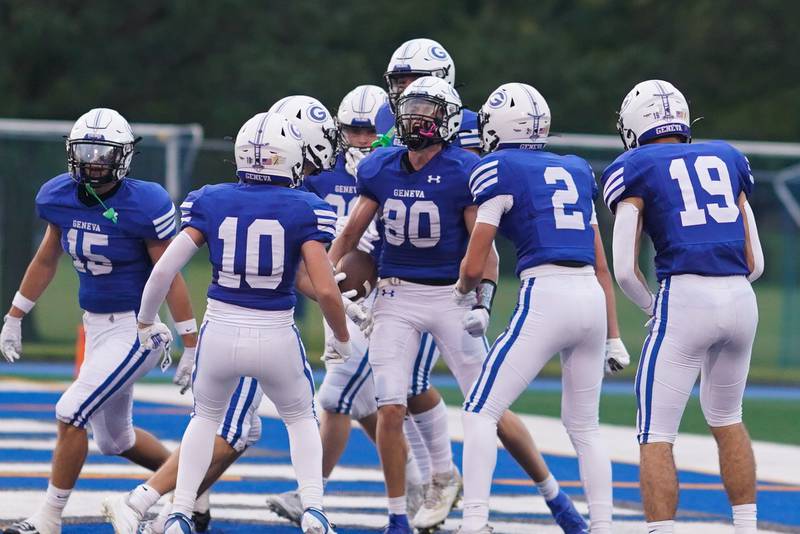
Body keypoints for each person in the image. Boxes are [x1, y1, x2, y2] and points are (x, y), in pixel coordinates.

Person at [329, 76, 590, 534]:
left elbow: (483, 247)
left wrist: (483, 300)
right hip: (396, 293)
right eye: (410, 108)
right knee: (390, 406)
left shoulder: (464, 169)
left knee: (489, 406)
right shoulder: (380, 166)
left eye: (427, 110)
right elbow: (351, 234)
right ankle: (396, 517)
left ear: (447, 120)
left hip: (450, 296)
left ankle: (555, 496)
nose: (414, 118)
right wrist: (329, 275)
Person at [104, 99, 361, 534]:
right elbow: (325, 289)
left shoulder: (211, 199)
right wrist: (339, 337)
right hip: (276, 332)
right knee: (301, 420)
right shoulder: (306, 207)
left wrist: (147, 320)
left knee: (204, 420)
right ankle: (315, 509)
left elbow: (164, 269)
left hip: (219, 329)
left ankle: (180, 513)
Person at [0, 109, 198, 534]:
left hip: (139, 329)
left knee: (71, 411)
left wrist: (190, 342)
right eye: (85, 150)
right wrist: (15, 315)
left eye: (102, 152)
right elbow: (47, 257)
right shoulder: (57, 195)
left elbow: (169, 274)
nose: (92, 160)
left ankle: (48, 519)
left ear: (123, 157)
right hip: (97, 326)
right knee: (115, 441)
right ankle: (193, 488)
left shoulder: (145, 202)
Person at [457, 83, 625, 533]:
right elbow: (602, 263)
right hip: (589, 296)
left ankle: (473, 521)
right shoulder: (575, 169)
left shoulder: (497, 168)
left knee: (479, 411)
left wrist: (460, 293)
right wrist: (614, 335)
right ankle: (604, 526)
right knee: (585, 428)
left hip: (546, 294)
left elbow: (475, 263)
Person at [265, 85, 436, 524]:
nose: (361, 139)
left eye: (368, 130)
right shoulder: (324, 172)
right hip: (333, 291)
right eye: (352, 130)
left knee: (338, 395)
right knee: (363, 404)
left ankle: (311, 494)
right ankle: (418, 480)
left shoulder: (393, 169)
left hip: (376, 298)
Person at [601, 79, 763, 534]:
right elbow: (756, 261)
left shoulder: (634, 164)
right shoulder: (728, 157)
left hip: (685, 298)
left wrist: (656, 308)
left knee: (655, 434)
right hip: (740, 299)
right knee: (729, 418)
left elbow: (626, 270)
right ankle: (747, 528)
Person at [373, 37, 480, 153]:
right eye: (401, 82)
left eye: (416, 82)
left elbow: (467, 169)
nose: (407, 91)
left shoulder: (468, 122)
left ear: (442, 79)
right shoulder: (385, 114)